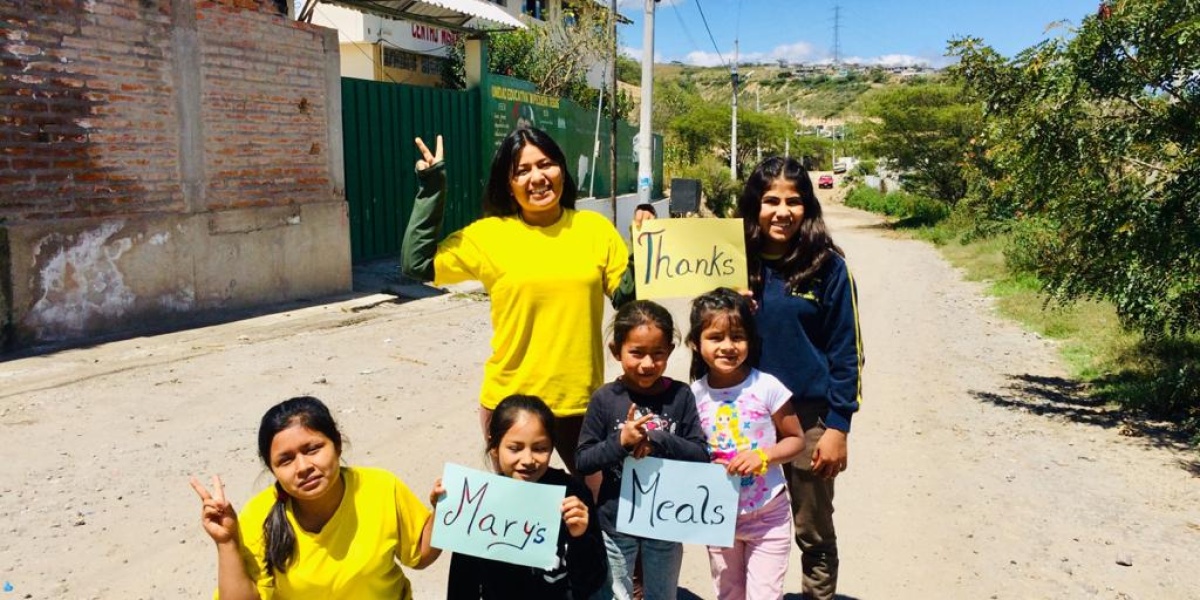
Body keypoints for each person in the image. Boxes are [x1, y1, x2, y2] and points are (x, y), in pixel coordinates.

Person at [402, 127, 634, 473]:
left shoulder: (594, 229)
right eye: (522, 171)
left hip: (580, 403)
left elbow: (628, 298)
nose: (537, 177)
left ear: (562, 170)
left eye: (546, 164)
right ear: (507, 184)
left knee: (600, 508)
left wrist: (645, 243)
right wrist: (432, 188)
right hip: (511, 406)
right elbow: (416, 264)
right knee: (519, 517)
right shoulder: (489, 235)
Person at [737, 156, 864, 600]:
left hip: (809, 420)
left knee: (813, 530)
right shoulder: (733, 264)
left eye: (794, 201)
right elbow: (706, 339)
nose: (782, 211)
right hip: (743, 420)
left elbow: (848, 354)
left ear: (808, 207)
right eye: (771, 200)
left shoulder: (828, 267)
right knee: (738, 528)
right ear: (754, 206)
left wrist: (838, 427)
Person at [190, 396, 440, 600]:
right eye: (285, 460)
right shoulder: (260, 514)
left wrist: (442, 512)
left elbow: (420, 554)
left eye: (313, 449)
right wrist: (227, 543)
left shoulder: (381, 487)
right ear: (272, 469)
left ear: (338, 445)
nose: (303, 467)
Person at [576, 300, 710, 600]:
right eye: (636, 353)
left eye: (658, 353)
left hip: (666, 524)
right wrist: (621, 443)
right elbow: (583, 460)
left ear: (670, 352)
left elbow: (701, 456)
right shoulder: (605, 399)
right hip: (615, 523)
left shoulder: (680, 396)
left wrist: (659, 438)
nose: (647, 363)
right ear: (616, 351)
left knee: (661, 595)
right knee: (616, 595)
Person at [686, 287, 805, 600]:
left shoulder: (767, 387)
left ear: (750, 342)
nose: (728, 346)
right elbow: (686, 450)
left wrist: (763, 456)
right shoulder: (692, 396)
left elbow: (796, 440)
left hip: (768, 514)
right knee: (729, 593)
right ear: (696, 344)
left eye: (737, 336)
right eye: (715, 337)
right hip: (718, 516)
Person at [446, 394, 608, 599]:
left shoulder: (572, 496)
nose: (528, 460)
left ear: (552, 446)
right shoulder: (478, 502)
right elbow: (462, 583)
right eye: (515, 448)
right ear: (494, 446)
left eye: (540, 448)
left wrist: (580, 538)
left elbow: (592, 581)